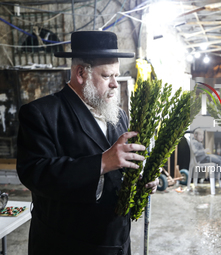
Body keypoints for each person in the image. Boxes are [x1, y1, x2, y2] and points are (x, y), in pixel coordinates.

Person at [16, 31, 158, 255]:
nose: (115, 84)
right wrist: (101, 163)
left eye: (116, 75)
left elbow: (121, 168)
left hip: (117, 242)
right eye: (106, 76)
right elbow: (35, 174)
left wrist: (140, 180)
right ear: (81, 73)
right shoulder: (41, 114)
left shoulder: (119, 116)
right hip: (69, 245)